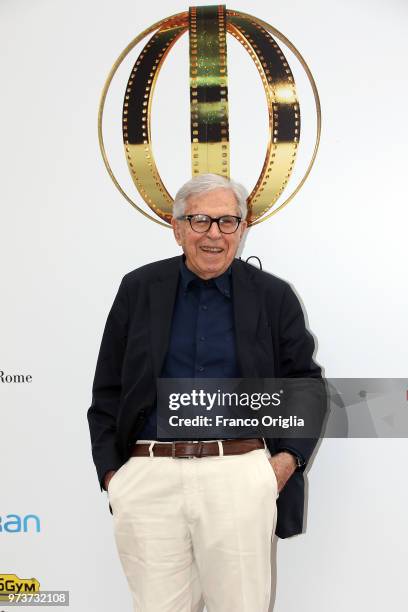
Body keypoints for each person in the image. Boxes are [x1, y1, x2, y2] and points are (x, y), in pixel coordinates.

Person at [87, 173, 323, 612]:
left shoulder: (272, 297)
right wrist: (114, 477)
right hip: (148, 478)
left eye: (227, 221)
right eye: (200, 221)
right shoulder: (138, 290)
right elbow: (108, 390)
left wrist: (284, 461)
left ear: (243, 227)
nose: (214, 234)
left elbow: (305, 384)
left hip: (237, 476)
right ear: (177, 228)